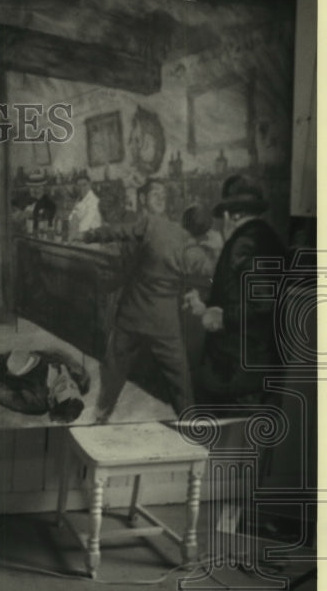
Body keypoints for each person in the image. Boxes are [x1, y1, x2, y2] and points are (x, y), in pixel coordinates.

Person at [84, 178, 209, 422]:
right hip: (155, 317)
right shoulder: (156, 228)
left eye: (164, 194)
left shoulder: (167, 229)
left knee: (168, 372)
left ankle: (101, 414)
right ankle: (190, 423)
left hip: (140, 312)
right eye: (155, 194)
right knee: (169, 373)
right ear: (142, 198)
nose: (161, 197)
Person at [184, 175, 287, 405]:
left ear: (233, 215)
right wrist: (205, 308)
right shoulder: (268, 238)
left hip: (236, 369)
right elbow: (239, 294)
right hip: (259, 365)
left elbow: (262, 303)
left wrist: (222, 318)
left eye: (224, 217)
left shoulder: (243, 243)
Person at [0, 348, 89, 422]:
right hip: (8, 359)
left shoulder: (37, 403)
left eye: (62, 388)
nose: (66, 382)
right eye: (73, 386)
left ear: (51, 400)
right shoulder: (69, 370)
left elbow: (2, 394)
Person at [69, 172, 102, 237]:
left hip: (91, 241)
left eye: (84, 185)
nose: (82, 188)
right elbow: (71, 218)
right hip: (79, 238)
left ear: (90, 184)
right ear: (76, 187)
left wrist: (74, 228)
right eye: (79, 185)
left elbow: (84, 225)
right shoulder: (79, 200)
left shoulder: (94, 201)